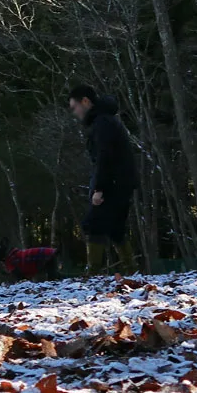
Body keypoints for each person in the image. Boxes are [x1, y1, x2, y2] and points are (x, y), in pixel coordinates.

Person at [68, 85, 138, 276]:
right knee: (116, 228)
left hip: (113, 184)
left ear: (85, 101)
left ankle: (93, 273)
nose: (74, 113)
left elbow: (104, 157)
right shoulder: (107, 121)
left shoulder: (102, 123)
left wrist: (99, 188)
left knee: (94, 224)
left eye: (75, 107)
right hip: (122, 182)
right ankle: (131, 271)